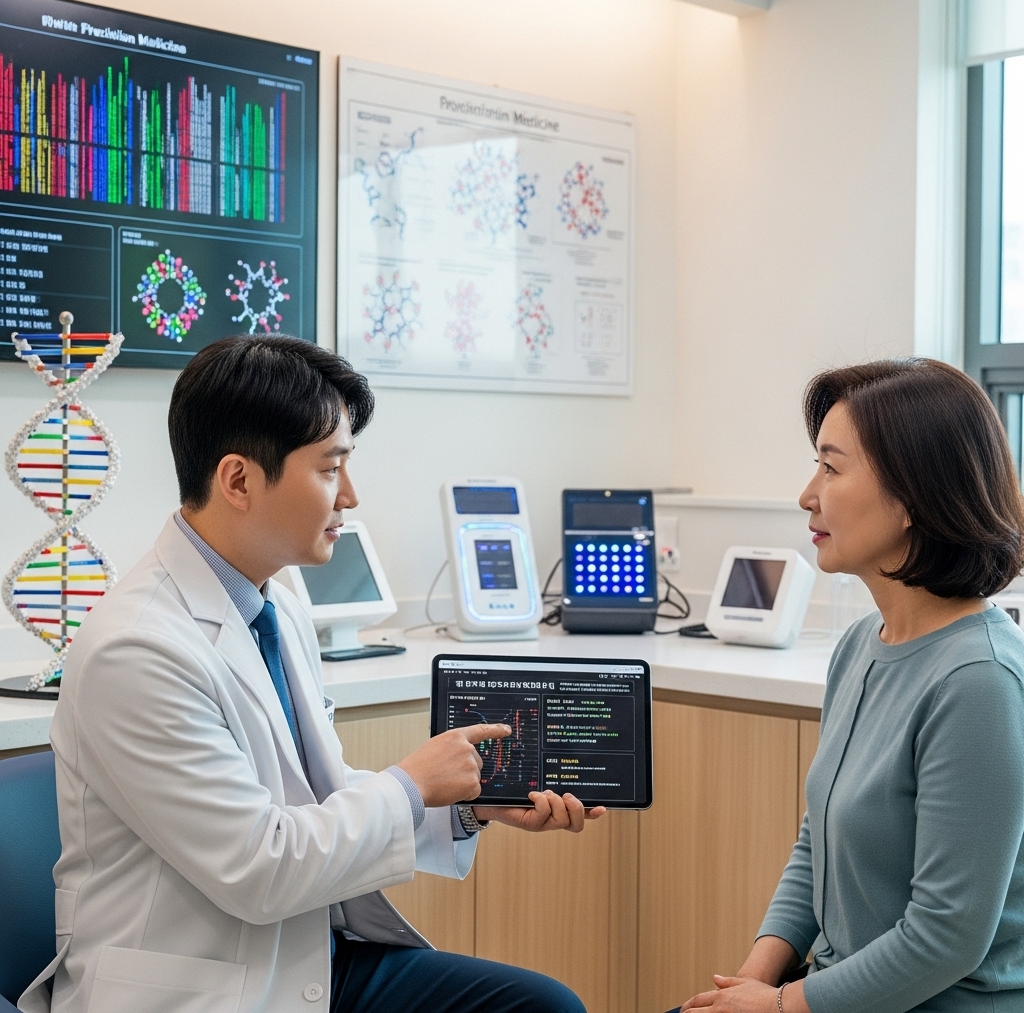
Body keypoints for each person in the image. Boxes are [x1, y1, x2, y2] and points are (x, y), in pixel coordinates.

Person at [20, 334, 604, 1013]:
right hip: (202, 986)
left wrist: (465, 807)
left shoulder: (278, 598)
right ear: (238, 480)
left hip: (301, 955)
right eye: (331, 469)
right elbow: (260, 866)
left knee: (542, 1006)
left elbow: (315, 801)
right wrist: (411, 785)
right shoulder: (138, 648)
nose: (350, 496)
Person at [682, 358, 1024, 1013]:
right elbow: (819, 838)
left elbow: (946, 937)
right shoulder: (861, 646)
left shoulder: (979, 681)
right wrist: (752, 979)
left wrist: (780, 1006)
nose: (808, 495)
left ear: (911, 500)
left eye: (832, 468)